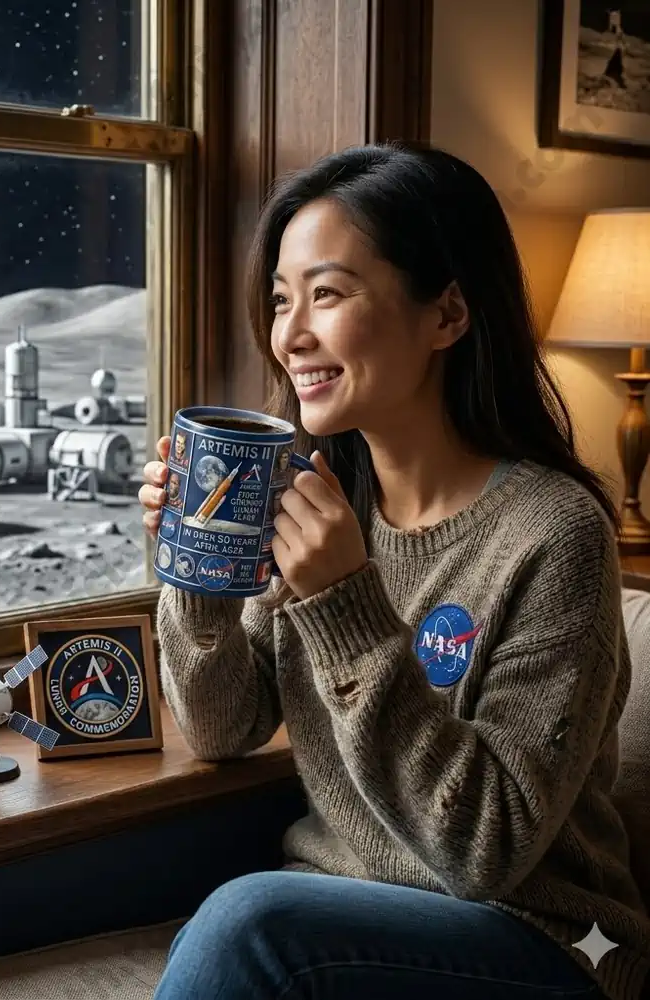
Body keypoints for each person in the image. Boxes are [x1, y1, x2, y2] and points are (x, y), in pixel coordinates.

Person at [139, 143, 650, 1000]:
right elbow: (224, 725)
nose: (289, 335)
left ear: (447, 314)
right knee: (239, 928)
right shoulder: (317, 498)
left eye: (327, 294)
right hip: (350, 929)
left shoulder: (554, 534)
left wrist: (345, 605)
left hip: (548, 946)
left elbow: (484, 850)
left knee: (247, 924)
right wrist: (197, 566)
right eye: (279, 300)